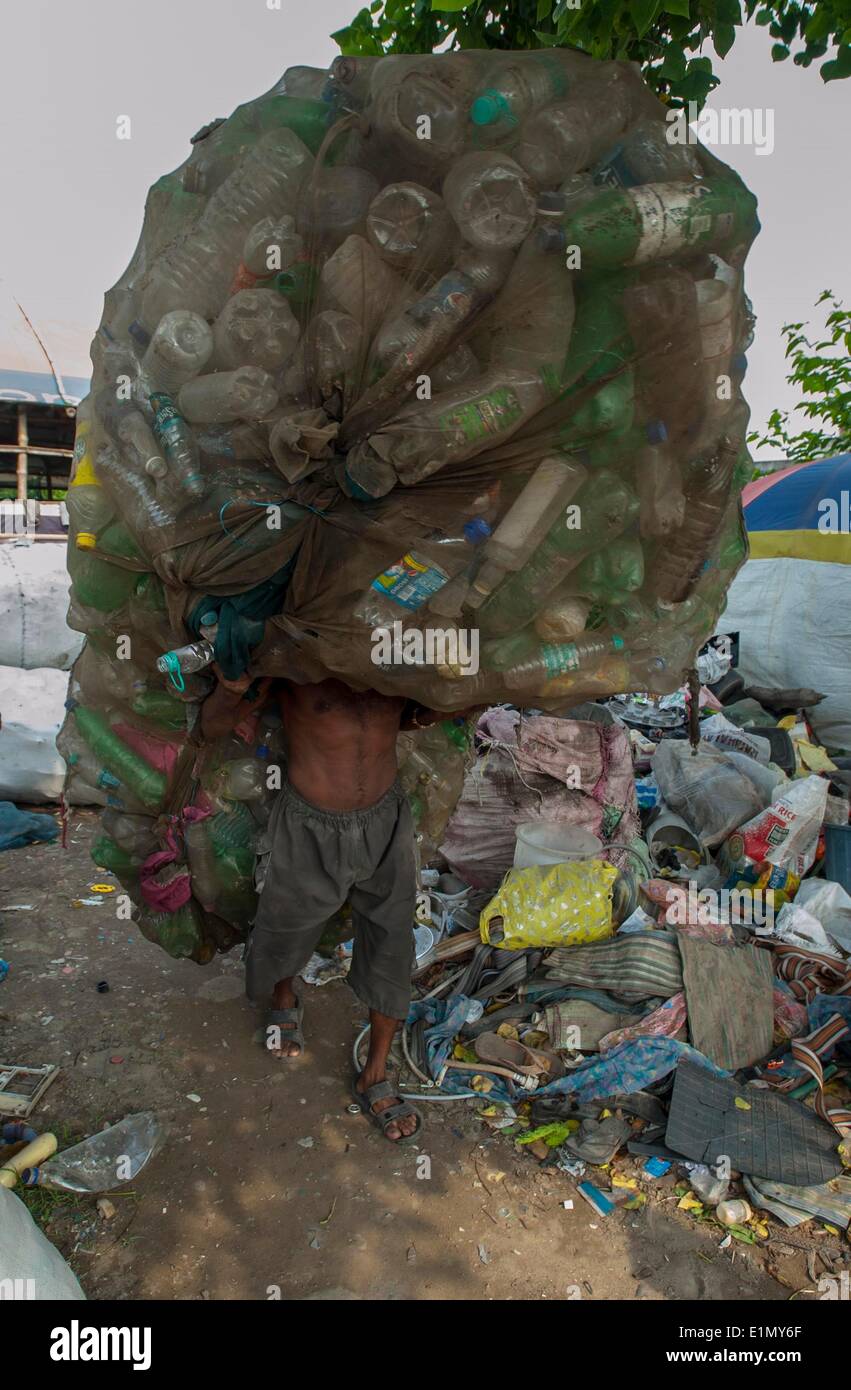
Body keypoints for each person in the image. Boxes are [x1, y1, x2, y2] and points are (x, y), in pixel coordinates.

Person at [201, 668, 460, 1144]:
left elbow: (414, 718)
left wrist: (469, 697)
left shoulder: (394, 656)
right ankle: (284, 994)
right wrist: (232, 684)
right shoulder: (297, 656)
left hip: (386, 819)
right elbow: (215, 727)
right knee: (288, 924)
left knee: (391, 942)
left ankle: (375, 1073)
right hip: (308, 822)